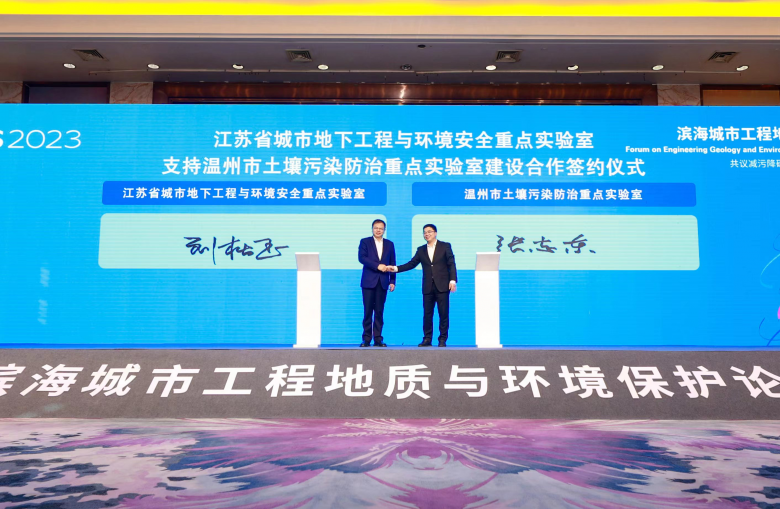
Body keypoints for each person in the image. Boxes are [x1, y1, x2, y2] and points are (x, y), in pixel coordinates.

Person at [388, 224, 457, 347]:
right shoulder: (421, 250)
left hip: (442, 286)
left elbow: (451, 263)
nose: (427, 234)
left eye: (429, 231)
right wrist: (396, 268)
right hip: (427, 287)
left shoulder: (445, 246)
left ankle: (442, 339)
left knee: (443, 314)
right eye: (425, 232)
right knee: (427, 314)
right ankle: (427, 339)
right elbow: (411, 264)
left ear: (435, 233)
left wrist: (452, 280)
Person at [358, 219, 396, 347]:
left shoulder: (389, 244)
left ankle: (378, 339)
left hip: (383, 281)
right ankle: (366, 338)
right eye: (376, 228)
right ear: (372, 229)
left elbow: (392, 263)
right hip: (368, 281)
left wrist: (392, 280)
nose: (378, 230)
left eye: (381, 228)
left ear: (384, 230)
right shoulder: (365, 241)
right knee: (368, 311)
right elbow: (362, 258)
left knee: (379, 311)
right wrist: (377, 266)